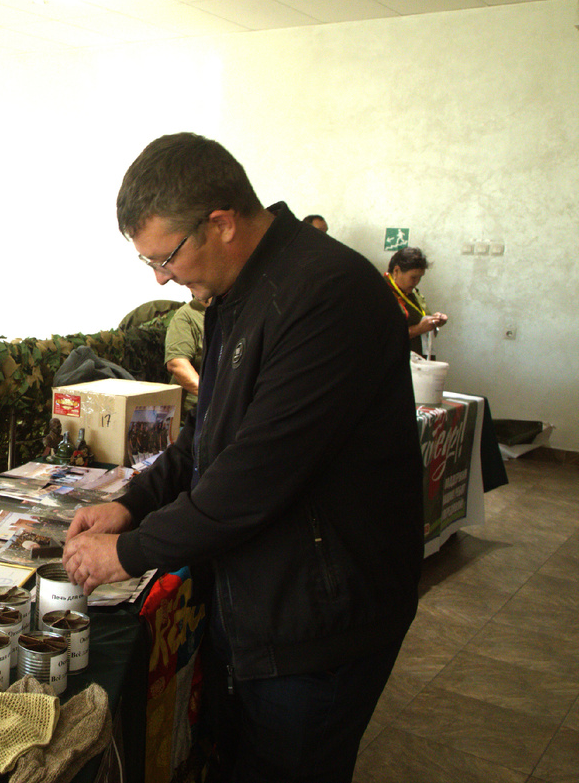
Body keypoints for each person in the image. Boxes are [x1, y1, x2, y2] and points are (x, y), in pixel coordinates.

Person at [63, 133, 423, 782]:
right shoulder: (237, 292)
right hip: (256, 603)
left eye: (165, 258)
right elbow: (210, 435)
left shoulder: (326, 294)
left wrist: (128, 553)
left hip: (319, 623)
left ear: (222, 223)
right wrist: (130, 504)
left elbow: (252, 477)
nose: (160, 279)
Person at [385, 246, 447, 357]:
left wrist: (435, 321)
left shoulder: (412, 292)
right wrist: (418, 329)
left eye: (420, 278)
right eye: (413, 277)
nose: (417, 282)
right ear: (396, 271)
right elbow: (382, 337)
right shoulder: (382, 294)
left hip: (418, 360)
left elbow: (419, 318)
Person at [163, 296, 208, 421]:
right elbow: (177, 365)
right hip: (193, 415)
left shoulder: (236, 312)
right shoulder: (186, 316)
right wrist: (214, 397)